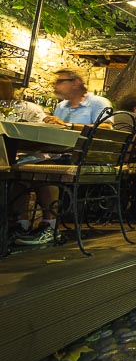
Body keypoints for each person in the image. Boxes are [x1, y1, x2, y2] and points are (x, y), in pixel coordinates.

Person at [15, 68, 113, 246]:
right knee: (18, 165)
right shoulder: (61, 106)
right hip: (60, 153)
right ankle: (20, 224)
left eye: (60, 81)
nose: (56, 86)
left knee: (44, 167)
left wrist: (68, 125)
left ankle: (50, 227)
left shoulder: (98, 102)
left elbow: (106, 128)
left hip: (87, 158)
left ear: (75, 83)